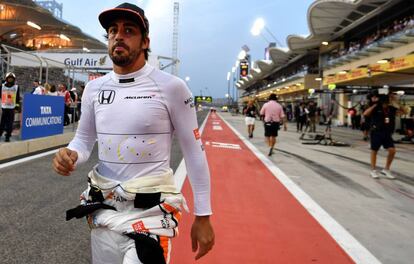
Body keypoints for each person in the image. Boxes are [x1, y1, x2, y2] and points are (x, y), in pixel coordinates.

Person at [52, 3, 214, 264]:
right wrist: (71, 154)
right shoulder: (94, 89)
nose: (118, 36)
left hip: (150, 215)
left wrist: (203, 215)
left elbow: (194, 152)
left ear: (145, 41)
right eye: (113, 31)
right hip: (104, 209)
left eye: (129, 30)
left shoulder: (172, 87)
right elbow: (83, 140)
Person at [363, 90, 398, 179]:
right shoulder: (375, 107)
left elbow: (404, 111)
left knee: (392, 150)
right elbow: (365, 113)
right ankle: (373, 170)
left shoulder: (391, 108)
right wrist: (375, 104)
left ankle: (386, 169)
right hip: (376, 132)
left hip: (387, 132)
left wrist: (395, 100)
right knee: (374, 150)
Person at [0, 72, 20, 142]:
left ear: (14, 79)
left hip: (11, 108)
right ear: (6, 79)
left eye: (12, 79)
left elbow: (17, 98)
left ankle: (8, 136)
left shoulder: (16, 87)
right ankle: (1, 132)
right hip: (4, 107)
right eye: (9, 78)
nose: (10, 80)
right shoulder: (2, 86)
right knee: (3, 122)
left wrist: (17, 107)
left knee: (10, 123)